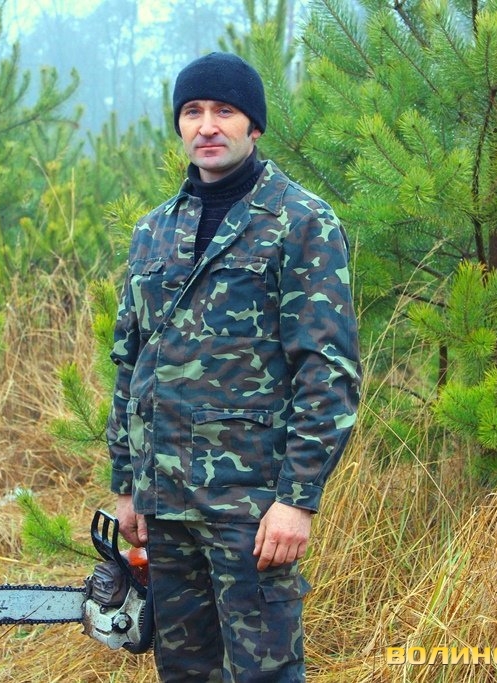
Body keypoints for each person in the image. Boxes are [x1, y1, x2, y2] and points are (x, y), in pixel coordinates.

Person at [106, 51, 361, 682]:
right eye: (192, 112)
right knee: (184, 670)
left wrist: (297, 501)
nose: (207, 126)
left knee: (264, 672)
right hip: (166, 505)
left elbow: (327, 373)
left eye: (225, 110)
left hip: (251, 508)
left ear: (255, 125)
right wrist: (127, 485)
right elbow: (131, 363)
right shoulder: (154, 231)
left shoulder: (300, 222)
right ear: (179, 125)